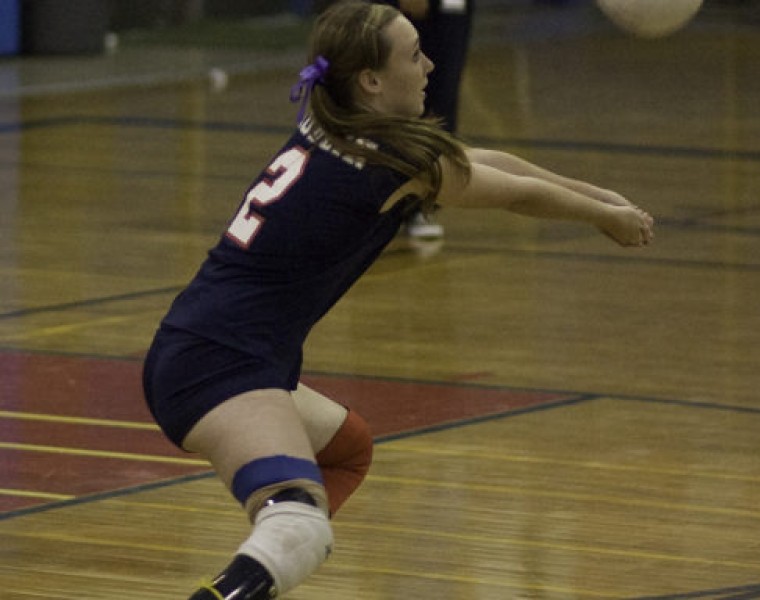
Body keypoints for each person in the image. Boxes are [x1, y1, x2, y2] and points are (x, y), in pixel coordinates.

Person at [141, 1, 654, 598]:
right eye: (414, 54)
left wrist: (601, 197)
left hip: (216, 348)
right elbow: (512, 194)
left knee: (346, 449)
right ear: (372, 81)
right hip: (217, 365)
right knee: (300, 527)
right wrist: (602, 217)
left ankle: (265, 564)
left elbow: (477, 161)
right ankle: (275, 547)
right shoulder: (380, 163)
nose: (431, 63)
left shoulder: (338, 122)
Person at [388, 0, 475, 238]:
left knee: (442, 102)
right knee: (397, 95)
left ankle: (420, 204)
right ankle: (388, 200)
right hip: (402, 11)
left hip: (451, 8)